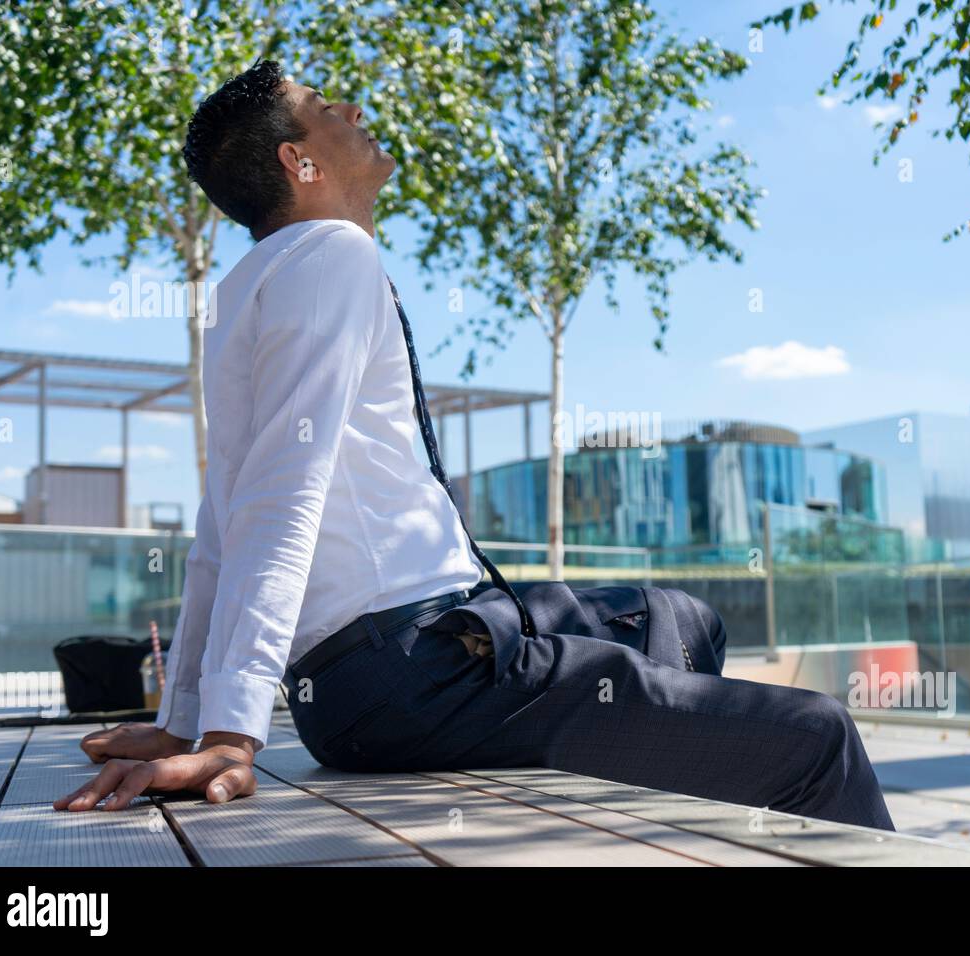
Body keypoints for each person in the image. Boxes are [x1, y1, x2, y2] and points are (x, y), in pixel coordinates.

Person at [54, 60, 894, 832]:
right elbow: (281, 494)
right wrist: (231, 732)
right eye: (320, 108)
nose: (349, 107)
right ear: (295, 162)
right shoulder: (333, 256)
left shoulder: (247, 287)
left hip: (419, 651)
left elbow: (220, 520)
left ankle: (664, 815)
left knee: (682, 619)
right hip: (417, 672)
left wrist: (185, 711)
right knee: (817, 732)